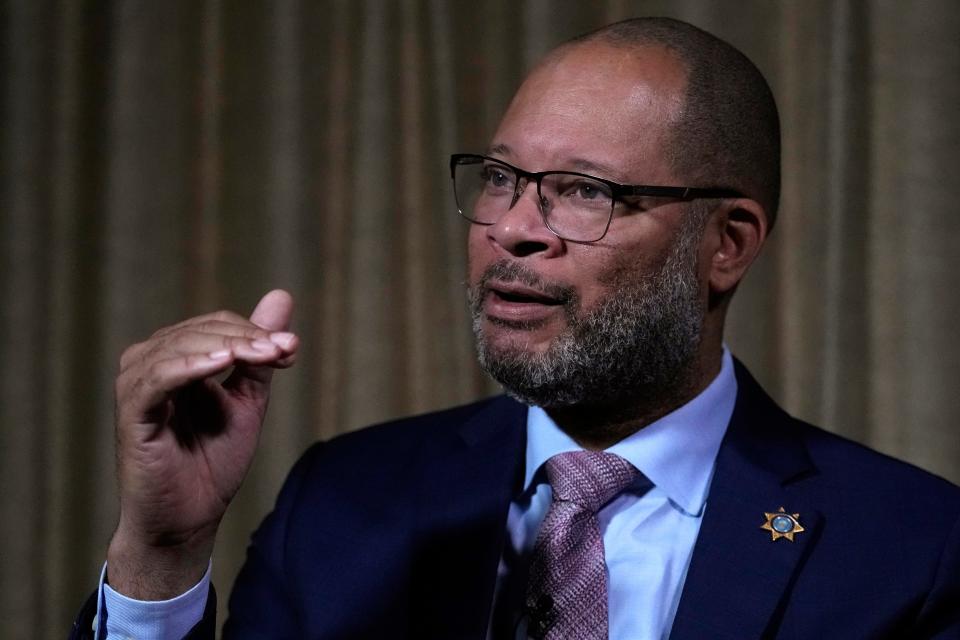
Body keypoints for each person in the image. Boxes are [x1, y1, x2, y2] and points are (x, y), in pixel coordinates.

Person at [71, 16, 959, 640]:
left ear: (725, 245)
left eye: (583, 191)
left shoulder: (910, 545)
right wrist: (161, 552)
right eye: (500, 177)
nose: (511, 227)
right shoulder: (343, 506)